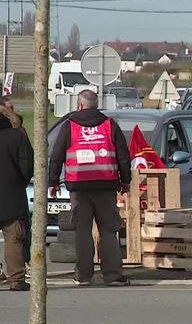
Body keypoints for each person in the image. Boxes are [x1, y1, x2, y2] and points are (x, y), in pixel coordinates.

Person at [49, 90, 132, 286]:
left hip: (79, 187)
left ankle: (84, 275)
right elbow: (123, 155)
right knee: (109, 231)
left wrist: (53, 182)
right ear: (96, 105)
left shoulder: (70, 126)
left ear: (79, 106)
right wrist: (125, 180)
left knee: (82, 231)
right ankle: (112, 275)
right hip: (106, 185)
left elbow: (57, 155)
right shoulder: (109, 125)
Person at [0, 102, 33, 291]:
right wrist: (20, 181)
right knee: (14, 238)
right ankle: (17, 279)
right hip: (11, 194)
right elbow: (27, 166)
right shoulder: (17, 137)